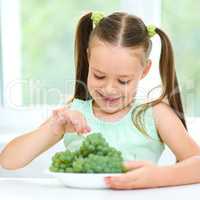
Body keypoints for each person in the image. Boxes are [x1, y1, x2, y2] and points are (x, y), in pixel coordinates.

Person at [0, 11, 200, 190]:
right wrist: (53, 128)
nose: (109, 89)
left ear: (144, 70)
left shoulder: (154, 114)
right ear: (88, 59)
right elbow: (8, 161)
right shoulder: (73, 114)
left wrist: (158, 177)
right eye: (99, 76)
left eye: (123, 80)